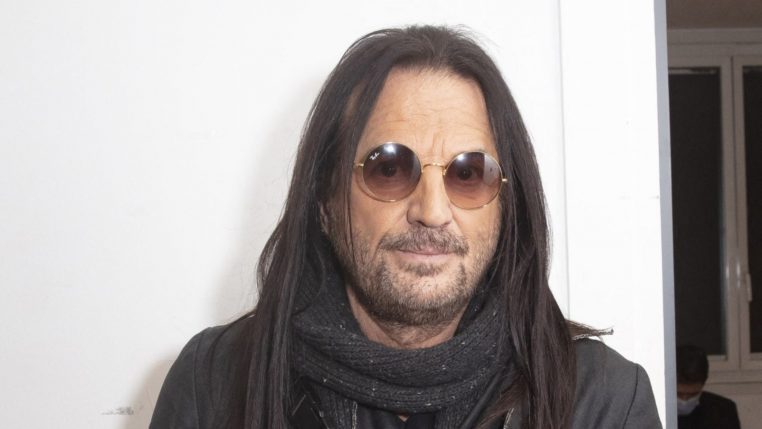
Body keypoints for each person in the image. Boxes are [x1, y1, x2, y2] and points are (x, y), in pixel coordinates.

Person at [150, 25, 661, 429]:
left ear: (507, 206)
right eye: (390, 168)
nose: (432, 211)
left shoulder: (603, 400)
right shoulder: (215, 383)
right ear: (325, 200)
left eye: (468, 174)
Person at [677, 345, 741, 429]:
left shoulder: (723, 411)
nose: (685, 400)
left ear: (703, 384)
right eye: (679, 394)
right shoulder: (659, 411)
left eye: (693, 394)